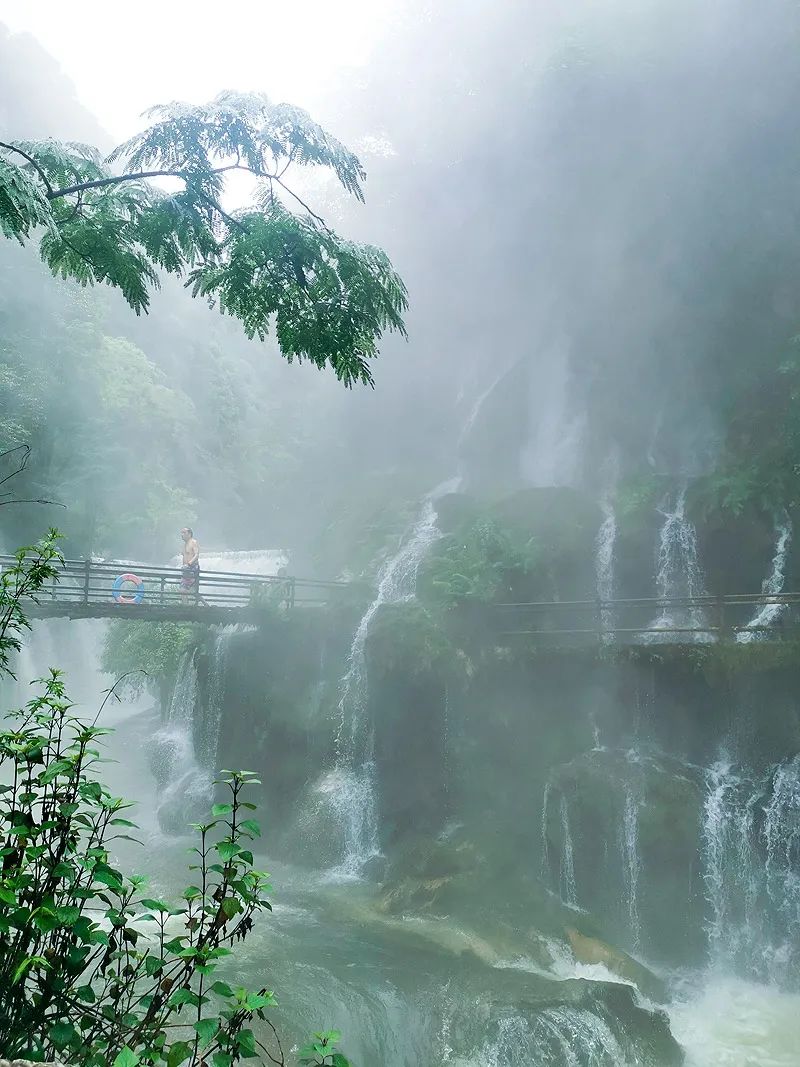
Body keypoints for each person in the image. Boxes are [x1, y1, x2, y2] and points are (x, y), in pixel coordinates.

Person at [180, 526, 200, 600]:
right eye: (181, 533)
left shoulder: (193, 542)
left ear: (189, 534)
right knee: (190, 591)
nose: (182, 534)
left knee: (183, 590)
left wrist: (189, 564)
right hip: (186, 569)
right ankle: (188, 606)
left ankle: (186, 608)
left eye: (184, 533)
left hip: (192, 568)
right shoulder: (185, 544)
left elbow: (196, 555)